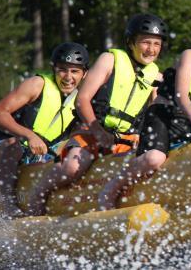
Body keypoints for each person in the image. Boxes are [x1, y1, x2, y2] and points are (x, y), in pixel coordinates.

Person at [99, 5, 191, 210]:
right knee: (154, 158)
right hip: (163, 116)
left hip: (189, 124)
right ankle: (111, 189)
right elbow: (181, 95)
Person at [25, 13, 168, 216]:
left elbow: (156, 112)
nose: (151, 49)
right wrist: (98, 131)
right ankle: (37, 196)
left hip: (125, 138)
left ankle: (117, 195)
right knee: (72, 168)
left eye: (157, 44)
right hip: (91, 131)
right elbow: (81, 100)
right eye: (145, 42)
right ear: (131, 42)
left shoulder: (155, 75)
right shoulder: (109, 60)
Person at [0, 42, 89, 217]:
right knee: (13, 144)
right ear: (54, 69)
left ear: (85, 74)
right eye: (62, 69)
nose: (68, 77)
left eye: (74, 71)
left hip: (42, 157)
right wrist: (29, 135)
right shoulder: (36, 84)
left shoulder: (83, 98)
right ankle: (9, 203)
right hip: (4, 151)